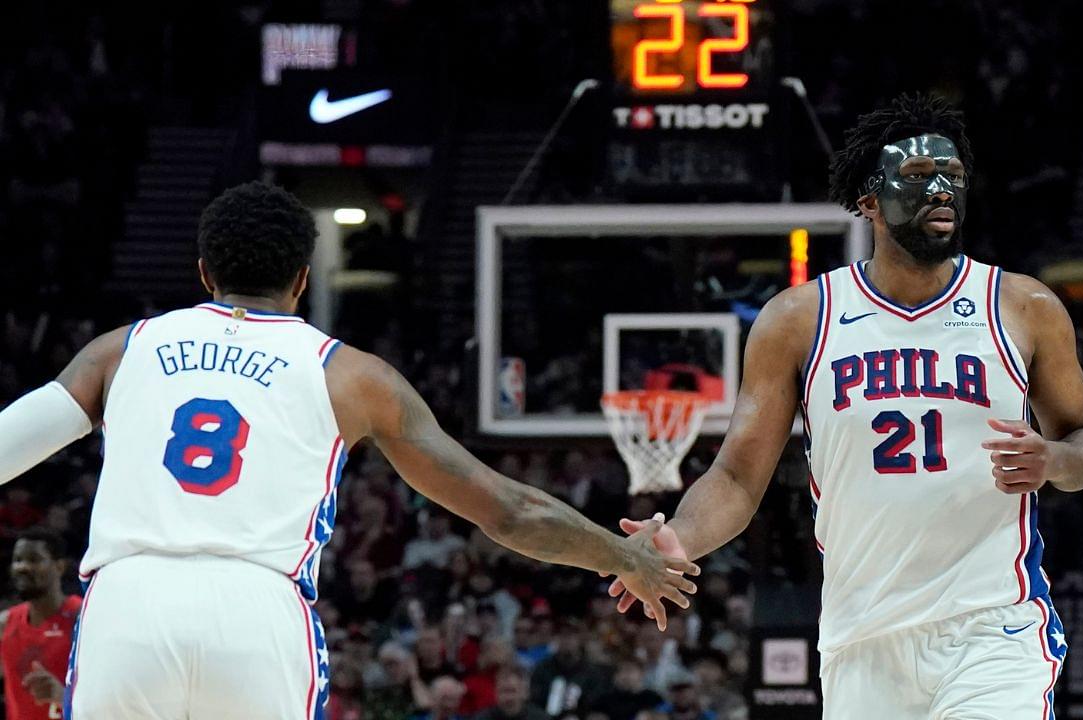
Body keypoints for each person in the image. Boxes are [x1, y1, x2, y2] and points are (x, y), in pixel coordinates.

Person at [0, 181, 699, 717]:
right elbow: (508, 512)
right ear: (303, 278)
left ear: (205, 272)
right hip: (258, 610)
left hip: (130, 601)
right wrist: (623, 557)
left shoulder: (122, 350)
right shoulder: (351, 375)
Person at [605, 93, 1083, 718]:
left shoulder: (1023, 306)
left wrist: (1053, 461)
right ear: (868, 199)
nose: (942, 190)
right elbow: (736, 476)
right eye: (919, 177)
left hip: (991, 628)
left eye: (952, 176)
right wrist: (678, 536)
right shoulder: (798, 320)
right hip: (861, 639)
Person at [0, 528, 81, 720]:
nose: (22, 567)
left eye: (34, 559)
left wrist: (64, 697)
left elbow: (108, 693)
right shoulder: (5, 624)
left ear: (60, 567)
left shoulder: (82, 618)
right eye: (18, 560)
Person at [472, 665, 553, 720]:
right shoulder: (482, 718)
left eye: (512, 691)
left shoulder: (541, 718)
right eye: (504, 691)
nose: (508, 698)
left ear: (525, 693)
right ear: (496, 694)